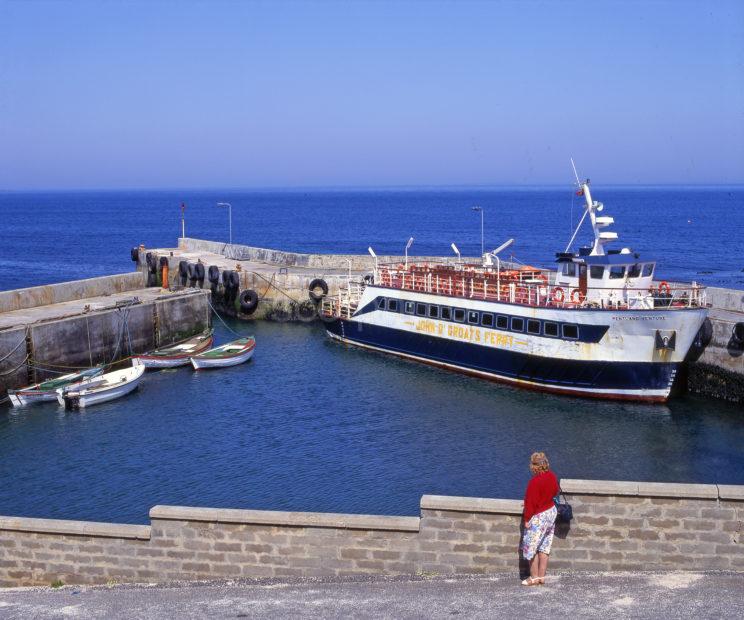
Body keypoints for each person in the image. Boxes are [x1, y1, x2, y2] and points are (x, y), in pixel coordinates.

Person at [521, 451, 559, 586]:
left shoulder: (534, 482)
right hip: (551, 512)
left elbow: (531, 504)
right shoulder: (552, 476)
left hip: (539, 516)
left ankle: (534, 577)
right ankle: (542, 577)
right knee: (544, 546)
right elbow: (555, 491)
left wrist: (526, 519)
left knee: (531, 547)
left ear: (534, 466)